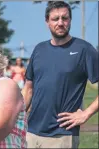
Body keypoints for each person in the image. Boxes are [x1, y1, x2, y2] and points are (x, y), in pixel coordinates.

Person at [22, 1, 99, 148]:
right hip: (31, 132)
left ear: (70, 20)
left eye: (65, 18)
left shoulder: (84, 50)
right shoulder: (39, 50)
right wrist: (17, 117)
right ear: (47, 22)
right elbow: (28, 89)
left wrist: (86, 113)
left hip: (62, 134)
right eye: (55, 19)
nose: (60, 22)